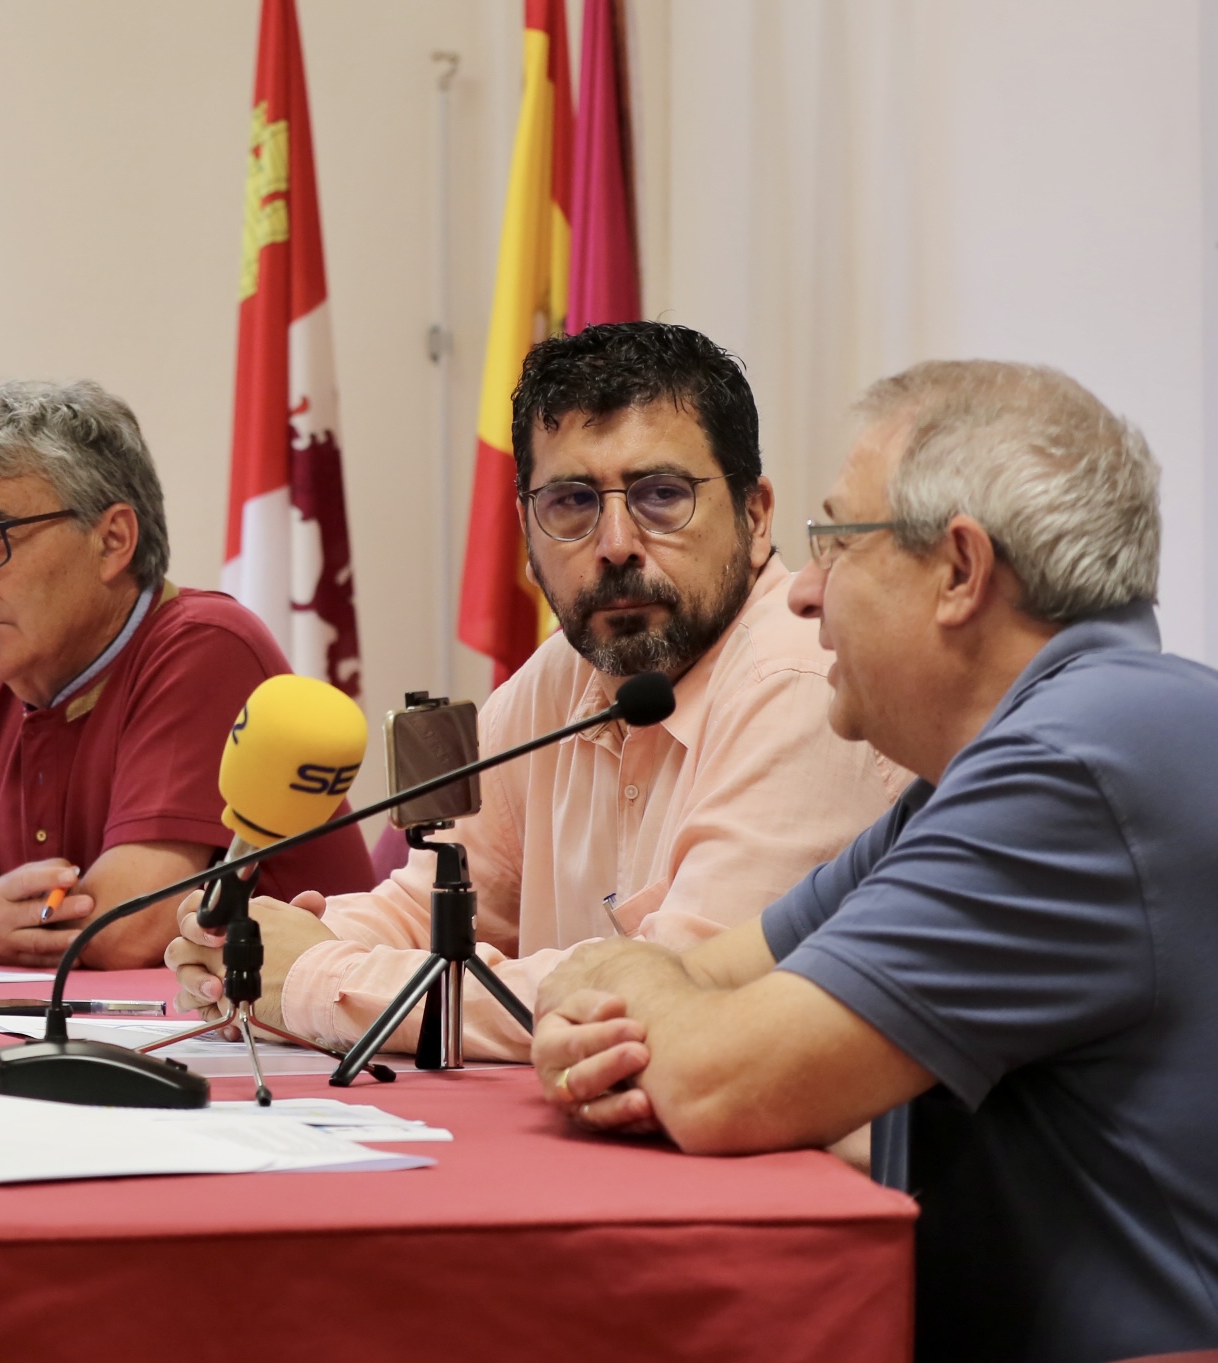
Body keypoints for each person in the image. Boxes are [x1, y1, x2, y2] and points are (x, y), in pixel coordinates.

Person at [528, 362, 1218, 1363]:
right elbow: (696, 977)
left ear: (959, 570)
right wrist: (623, 991)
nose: (801, 596)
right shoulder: (993, 770)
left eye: (834, 546)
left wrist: (629, 1003)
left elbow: (719, 1078)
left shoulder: (1076, 766)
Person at [169, 322, 901, 1058]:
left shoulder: (807, 681)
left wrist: (312, 978)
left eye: (661, 496)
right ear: (525, 528)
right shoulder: (563, 676)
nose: (614, 543)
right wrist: (256, 953)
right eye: (571, 504)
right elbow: (430, 909)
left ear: (754, 513)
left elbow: (671, 1003)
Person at [0, 379, 373, 967]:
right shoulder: (2, 692)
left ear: (112, 541)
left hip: (299, 1044)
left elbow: (119, 930)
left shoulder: (205, 647)